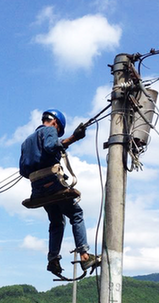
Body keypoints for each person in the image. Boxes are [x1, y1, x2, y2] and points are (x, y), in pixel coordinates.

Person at [19, 109, 98, 276]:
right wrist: (73, 138)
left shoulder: (26, 142)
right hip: (53, 183)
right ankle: (84, 255)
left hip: (37, 189)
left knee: (56, 222)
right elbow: (50, 146)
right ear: (55, 123)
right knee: (76, 214)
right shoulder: (49, 130)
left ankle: (53, 259)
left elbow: (23, 171)